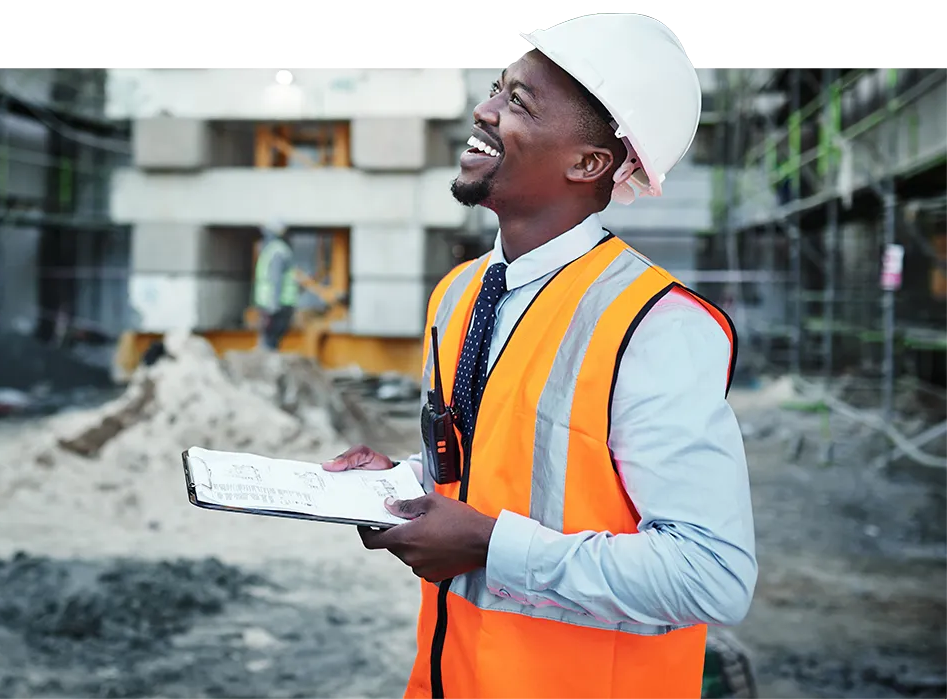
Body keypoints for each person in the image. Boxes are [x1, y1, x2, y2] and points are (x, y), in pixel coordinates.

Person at [321, 13, 756, 699]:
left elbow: (711, 575)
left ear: (588, 164)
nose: (485, 109)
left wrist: (489, 545)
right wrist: (399, 485)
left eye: (519, 101)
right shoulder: (459, 293)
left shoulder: (655, 326)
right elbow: (490, 471)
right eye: (498, 87)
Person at [253, 221, 300, 351]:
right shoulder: (277, 249)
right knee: (270, 342)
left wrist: (272, 307)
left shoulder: (276, 251)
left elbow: (276, 280)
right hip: (278, 304)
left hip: (276, 305)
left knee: (269, 342)